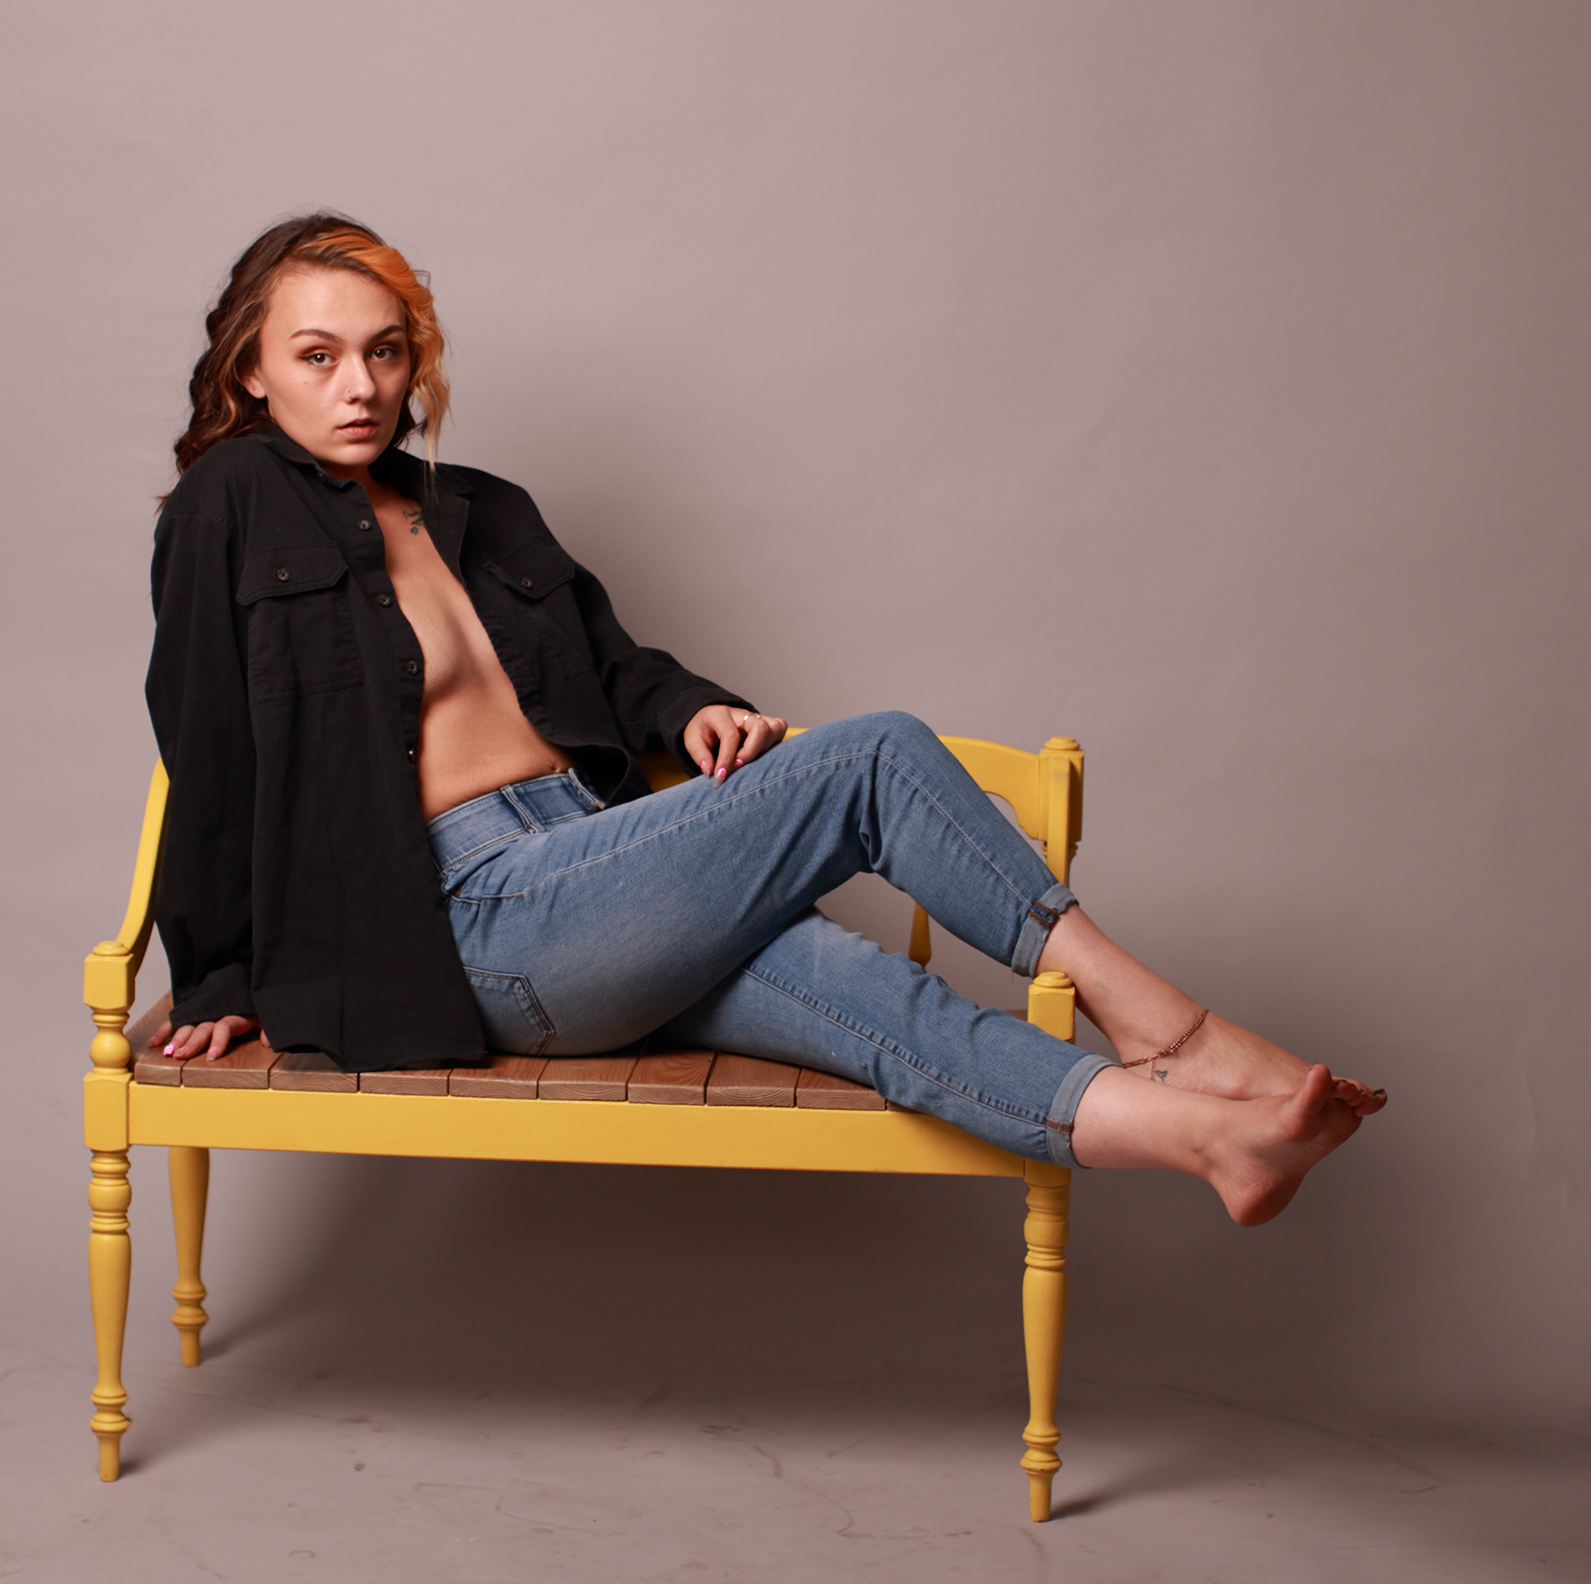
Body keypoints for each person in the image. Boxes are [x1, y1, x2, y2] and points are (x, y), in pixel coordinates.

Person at [147, 214, 1384, 1228]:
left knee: (872, 997)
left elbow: (616, 667)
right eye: (317, 356)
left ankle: (1211, 1142)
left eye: (384, 351)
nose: (360, 386)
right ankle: (1167, 1023)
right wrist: (215, 972)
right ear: (252, 370)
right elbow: (202, 739)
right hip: (469, 921)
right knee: (877, 752)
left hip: (593, 876)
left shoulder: (482, 507)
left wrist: (693, 708)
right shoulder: (232, 501)